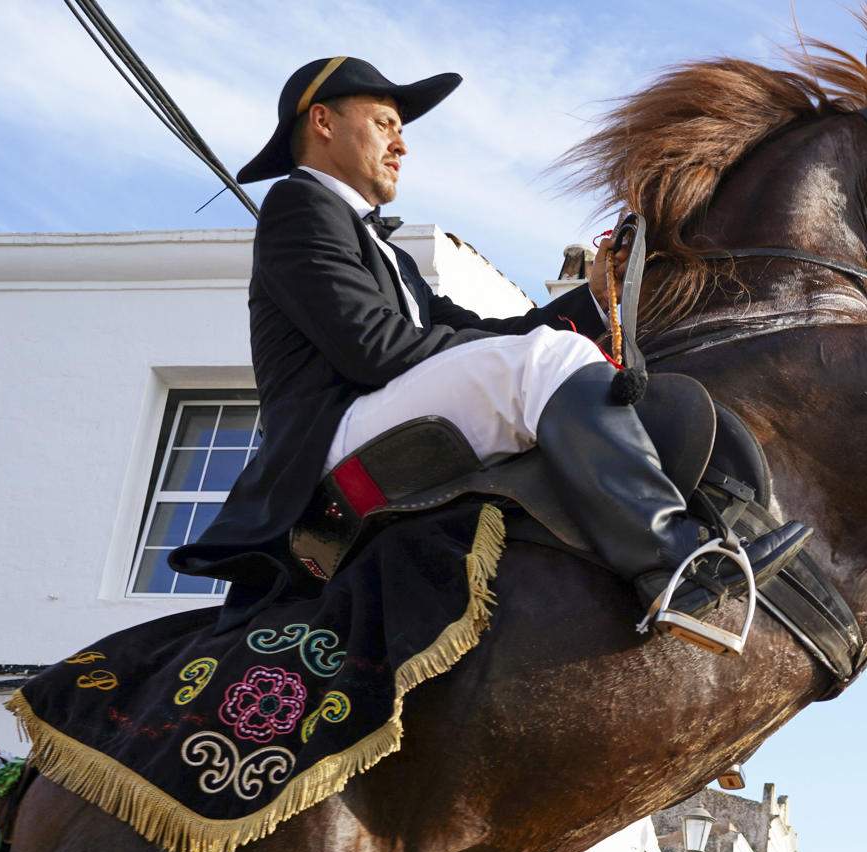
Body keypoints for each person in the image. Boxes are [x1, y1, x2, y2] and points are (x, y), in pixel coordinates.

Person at [186, 58, 809, 640]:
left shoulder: (387, 251)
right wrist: (537, 355)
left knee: (548, 359)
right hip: (328, 444)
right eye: (384, 125)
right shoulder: (300, 204)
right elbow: (372, 349)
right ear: (322, 121)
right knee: (543, 362)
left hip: (377, 416)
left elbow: (487, 329)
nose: (401, 145)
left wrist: (592, 298)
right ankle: (674, 562)